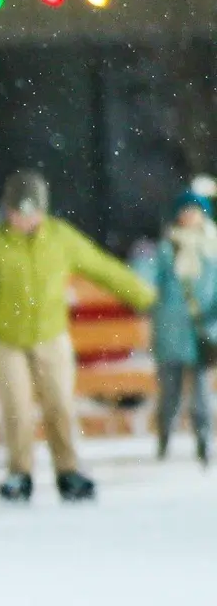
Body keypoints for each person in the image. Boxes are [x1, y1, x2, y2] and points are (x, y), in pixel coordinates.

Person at [0, 171, 157, 502]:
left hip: (50, 337)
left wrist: (145, 296)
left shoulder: (60, 239)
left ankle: (68, 470)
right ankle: (19, 473)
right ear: (8, 211)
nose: (24, 219)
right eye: (18, 212)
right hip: (7, 342)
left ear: (43, 211)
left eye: (32, 212)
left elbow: (102, 267)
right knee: (16, 407)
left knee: (59, 403)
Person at [132, 190, 217, 466]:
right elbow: (145, 279)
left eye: (195, 211)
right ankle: (164, 438)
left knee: (202, 394)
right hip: (171, 330)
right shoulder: (166, 248)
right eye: (186, 211)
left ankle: (203, 441)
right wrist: (141, 264)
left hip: (202, 331)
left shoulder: (211, 248)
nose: (190, 216)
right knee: (170, 392)